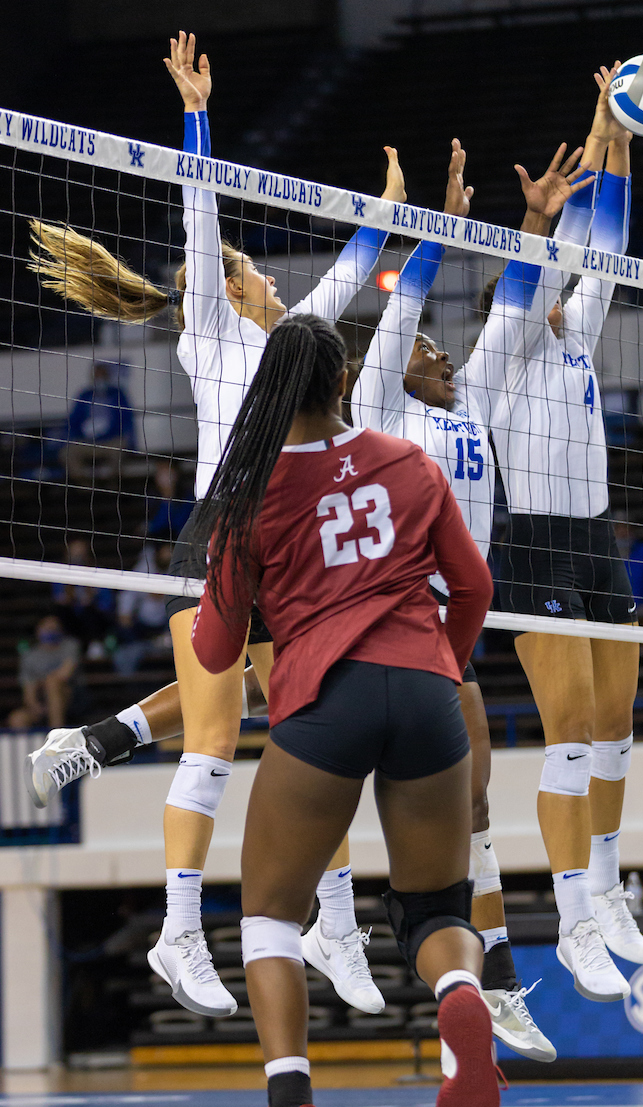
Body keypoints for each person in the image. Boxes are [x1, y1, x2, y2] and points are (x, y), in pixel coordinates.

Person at [25, 30, 401, 1019]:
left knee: (320, 734)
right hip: (225, 535)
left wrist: (390, 218)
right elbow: (201, 217)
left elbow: (342, 287)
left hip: (289, 550)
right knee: (215, 742)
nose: (278, 283)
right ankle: (178, 933)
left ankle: (333, 921)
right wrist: (195, 112)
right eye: (259, 277)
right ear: (234, 284)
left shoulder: (290, 348)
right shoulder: (212, 330)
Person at [191, 313, 497, 1107]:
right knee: (434, 907)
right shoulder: (411, 463)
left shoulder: (247, 493)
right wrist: (443, 662)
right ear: (341, 383)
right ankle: (463, 987)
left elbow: (216, 651)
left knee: (270, 915)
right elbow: (473, 586)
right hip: (429, 686)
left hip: (326, 693)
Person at [350, 138, 591, 1061]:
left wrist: (534, 223)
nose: (442, 352)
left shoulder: (470, 404)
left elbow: (517, 311)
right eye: (424, 348)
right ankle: (359, 935)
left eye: (443, 347)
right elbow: (402, 302)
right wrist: (441, 228)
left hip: (452, 639)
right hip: (392, 627)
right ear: (391, 363)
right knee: (436, 812)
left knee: (478, 807)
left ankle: (481, 995)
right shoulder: (383, 409)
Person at [490, 63, 643, 1002]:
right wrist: (538, 222)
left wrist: (617, 127)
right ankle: (571, 918)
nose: (560, 294)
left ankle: (605, 882)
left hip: (598, 541)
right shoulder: (507, 351)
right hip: (539, 546)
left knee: (618, 724)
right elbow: (548, 258)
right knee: (572, 731)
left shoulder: (575, 335)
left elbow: (611, 237)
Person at [62, 361, 135, 480]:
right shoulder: (85, 395)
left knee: (120, 448)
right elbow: (74, 420)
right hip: (87, 441)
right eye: (97, 376)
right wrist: (82, 433)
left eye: (103, 376)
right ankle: (84, 486)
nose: (100, 379)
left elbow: (125, 419)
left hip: (111, 441)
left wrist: (108, 433)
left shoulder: (118, 394)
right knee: (67, 453)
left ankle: (113, 486)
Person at [8, 614, 81, 730]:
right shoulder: (30, 656)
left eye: (54, 629)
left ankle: (56, 736)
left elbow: (65, 674)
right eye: (48, 629)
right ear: (38, 631)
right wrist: (35, 706)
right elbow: (28, 689)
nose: (51, 632)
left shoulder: (70, 645)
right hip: (42, 700)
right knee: (17, 719)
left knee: (52, 683)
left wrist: (45, 682)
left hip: (70, 696)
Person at [113, 543, 174, 674]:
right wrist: (125, 613)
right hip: (142, 625)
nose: (167, 556)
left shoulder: (177, 568)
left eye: (170, 553)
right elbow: (128, 594)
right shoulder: (145, 567)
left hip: (166, 622)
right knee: (124, 634)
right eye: (165, 553)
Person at [51, 537, 116, 651]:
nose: (77, 558)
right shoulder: (60, 576)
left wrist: (93, 598)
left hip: (95, 619)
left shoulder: (98, 574)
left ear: (87, 554)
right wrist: (68, 598)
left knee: (89, 609)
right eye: (74, 553)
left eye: (80, 553)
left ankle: (95, 643)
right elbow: (58, 599)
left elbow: (107, 604)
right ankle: (69, 643)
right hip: (74, 618)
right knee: (61, 609)